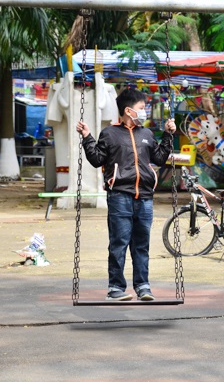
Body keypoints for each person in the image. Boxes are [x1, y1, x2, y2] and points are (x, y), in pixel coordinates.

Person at [76, 88, 176, 301]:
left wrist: (168, 135)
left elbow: (158, 159)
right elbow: (96, 159)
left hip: (145, 197)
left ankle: (143, 286)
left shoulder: (147, 134)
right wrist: (87, 137)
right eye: (142, 108)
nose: (145, 112)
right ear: (129, 111)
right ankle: (115, 288)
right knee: (119, 242)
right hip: (120, 195)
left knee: (142, 244)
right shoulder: (110, 133)